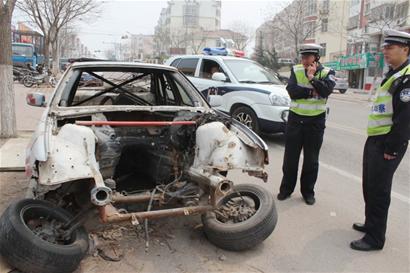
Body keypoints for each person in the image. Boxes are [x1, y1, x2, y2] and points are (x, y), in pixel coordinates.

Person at [350, 30, 410, 251]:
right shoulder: (395, 73)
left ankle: (375, 238)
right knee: (369, 184)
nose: (385, 50)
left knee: (379, 189)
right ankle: (370, 224)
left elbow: (405, 120)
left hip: (388, 142)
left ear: (405, 49)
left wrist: (392, 148)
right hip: (376, 139)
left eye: (390, 47)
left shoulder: (407, 77)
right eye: (384, 47)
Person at [277, 43, 335, 205]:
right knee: (290, 159)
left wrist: (312, 79)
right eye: (302, 57)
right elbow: (292, 92)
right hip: (295, 121)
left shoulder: (327, 72)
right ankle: (286, 189)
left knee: (311, 160)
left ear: (316, 57)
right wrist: (311, 91)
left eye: (307, 57)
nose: (303, 60)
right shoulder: (296, 70)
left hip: (315, 123)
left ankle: (308, 192)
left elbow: (326, 91)